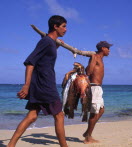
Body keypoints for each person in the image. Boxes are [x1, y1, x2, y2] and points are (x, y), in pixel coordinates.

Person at [7, 15, 68, 147]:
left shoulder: (50, 43)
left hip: (42, 84)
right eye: (63, 26)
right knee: (59, 115)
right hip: (45, 85)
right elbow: (30, 63)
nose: (66, 29)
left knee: (32, 116)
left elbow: (44, 58)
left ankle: (10, 145)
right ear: (55, 26)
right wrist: (26, 85)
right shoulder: (46, 41)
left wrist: (56, 46)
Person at [83, 41, 113, 144]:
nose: (109, 50)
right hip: (93, 88)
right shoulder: (95, 57)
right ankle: (88, 137)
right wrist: (93, 59)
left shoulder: (100, 58)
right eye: (108, 48)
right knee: (94, 113)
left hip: (98, 88)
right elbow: (88, 72)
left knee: (101, 110)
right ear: (103, 48)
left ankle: (87, 133)